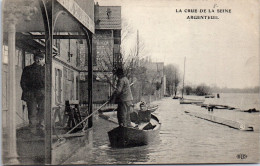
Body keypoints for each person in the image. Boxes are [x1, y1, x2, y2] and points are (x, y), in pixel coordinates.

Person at [20, 52, 45, 134]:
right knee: (32, 111)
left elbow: (48, 82)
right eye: (37, 58)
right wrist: (27, 91)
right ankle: (32, 130)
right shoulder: (27, 69)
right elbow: (23, 82)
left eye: (41, 59)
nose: (39, 60)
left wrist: (45, 91)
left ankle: (41, 127)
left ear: (43, 60)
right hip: (31, 93)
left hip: (42, 93)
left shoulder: (45, 70)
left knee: (42, 110)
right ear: (34, 59)